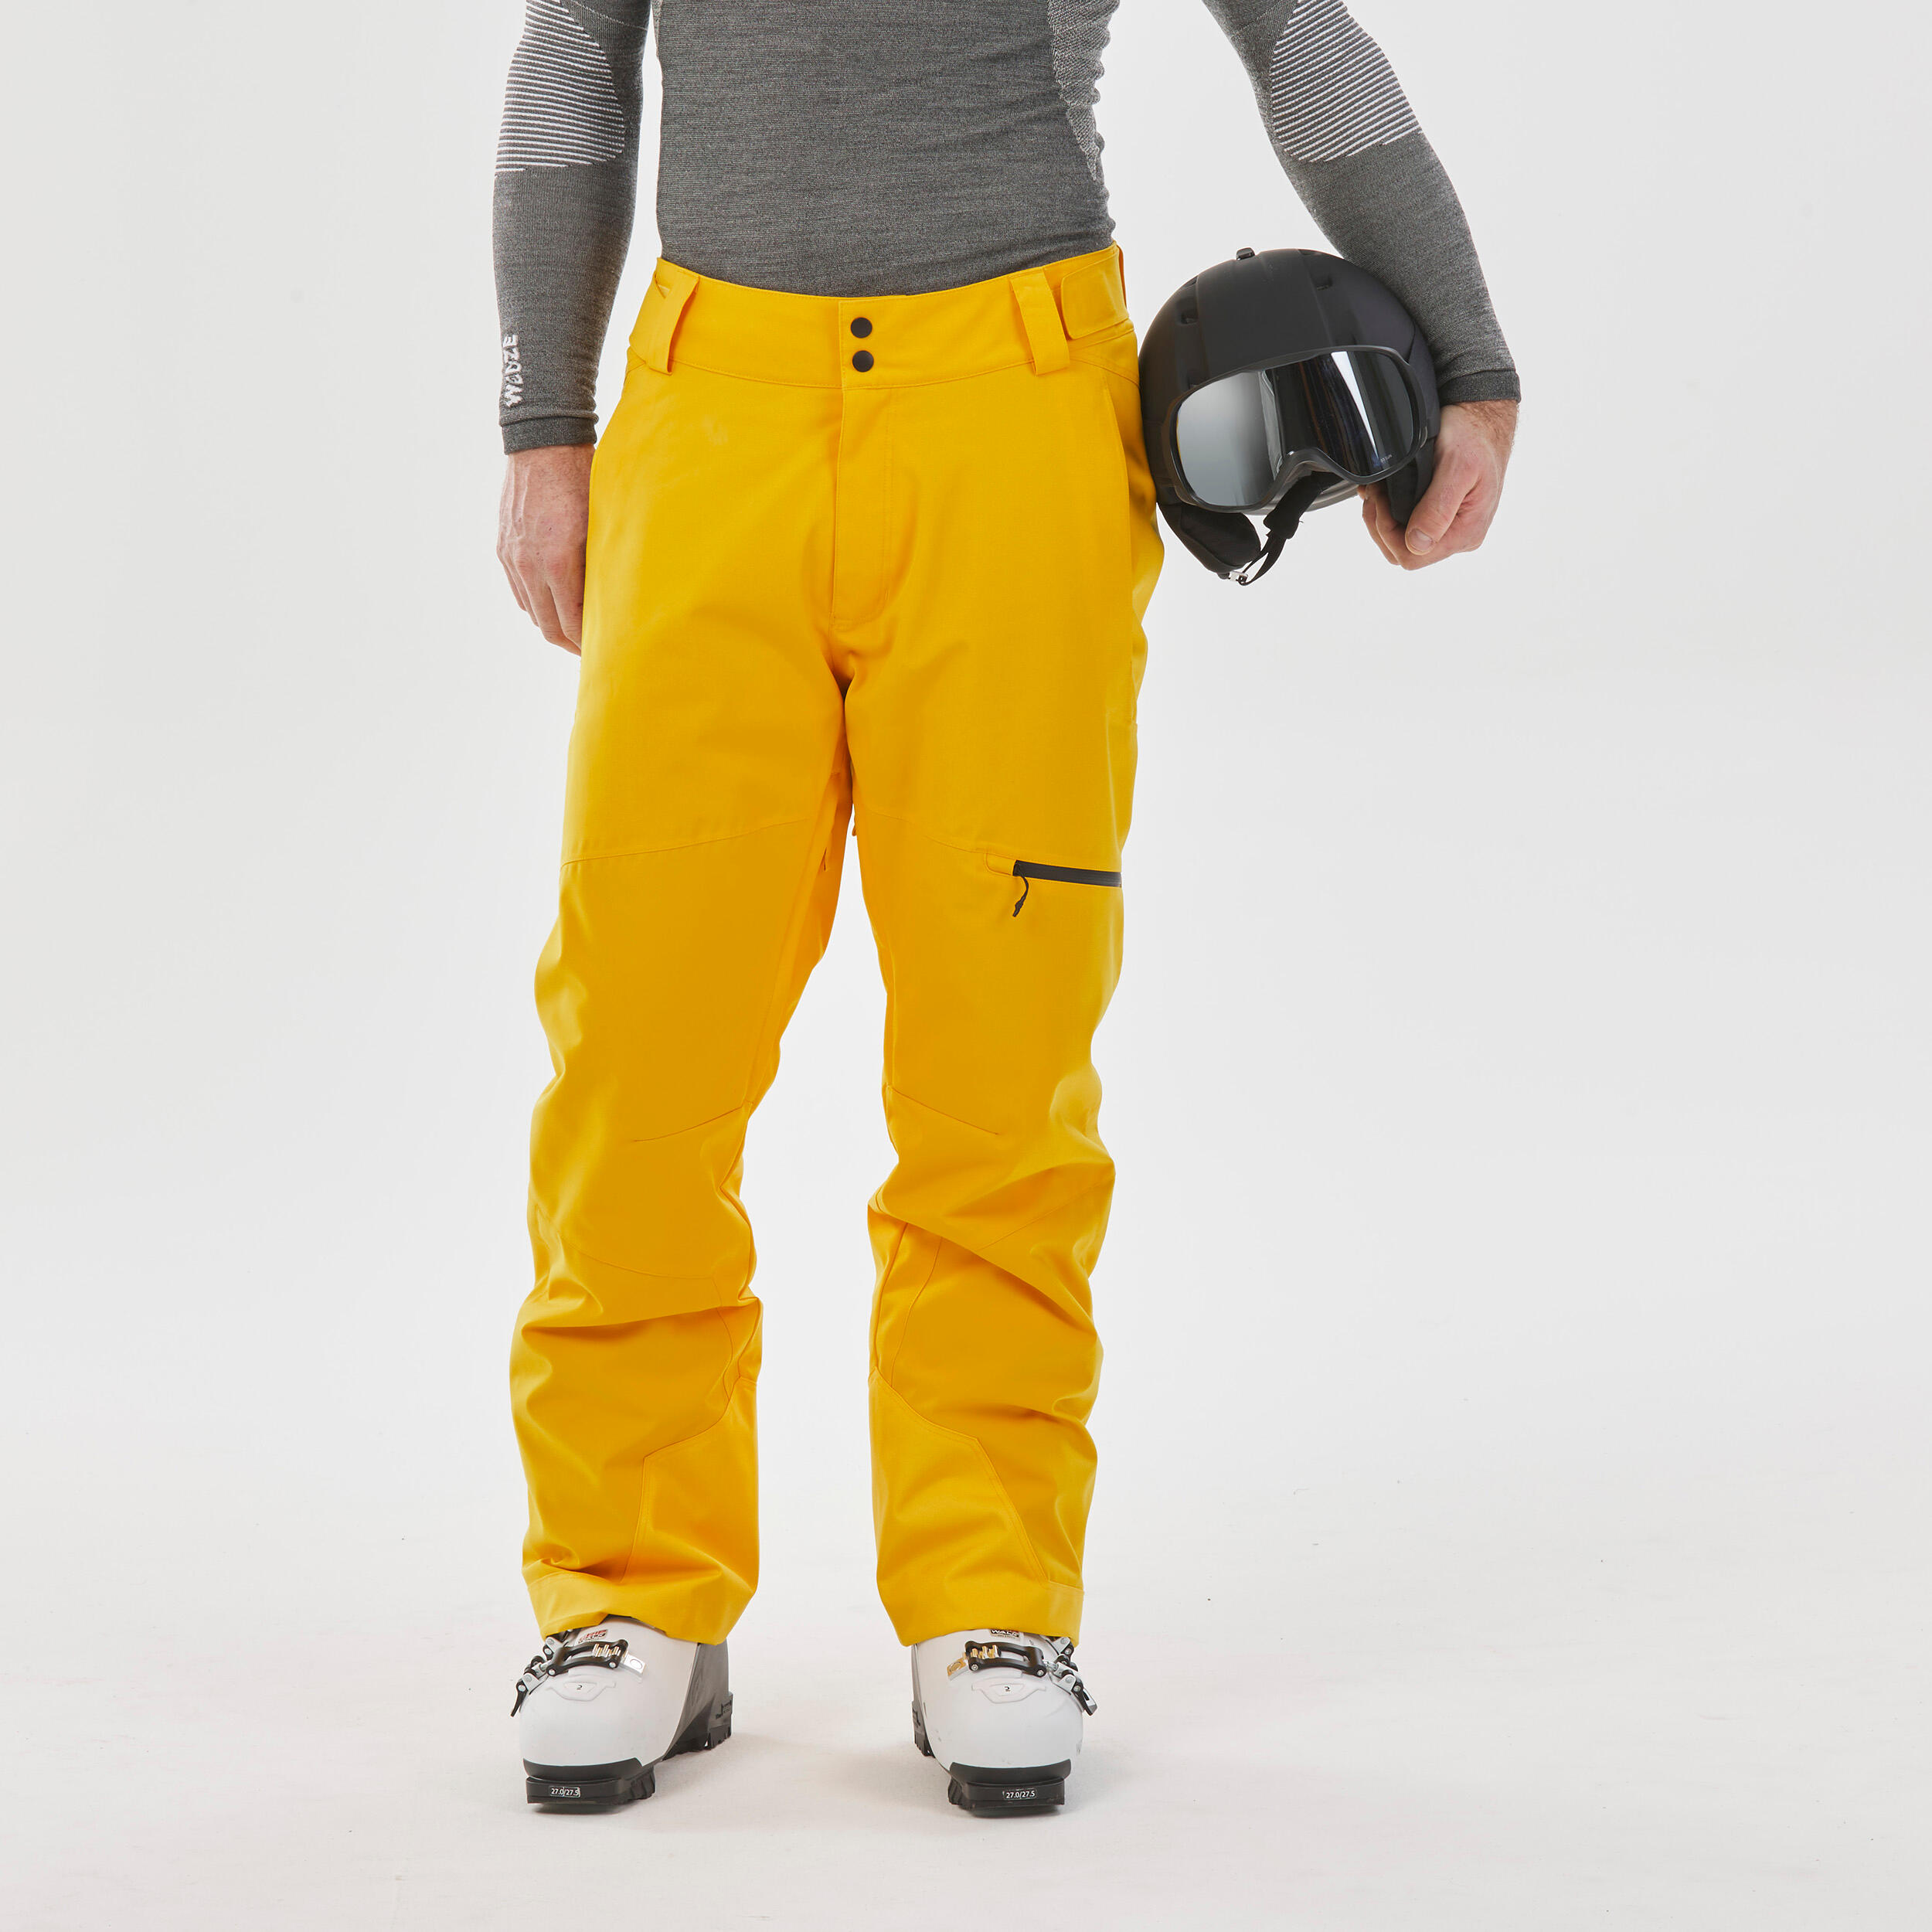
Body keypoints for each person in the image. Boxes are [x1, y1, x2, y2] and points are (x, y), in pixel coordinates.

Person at [493, 0, 1518, 1815]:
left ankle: (991, 1596)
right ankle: (625, 1590)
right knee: (639, 1047)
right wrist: (542, 422)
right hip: (709, 402)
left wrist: (1470, 351)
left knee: (999, 1057)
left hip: (1017, 413)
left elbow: (1293, 34)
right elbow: (576, 52)